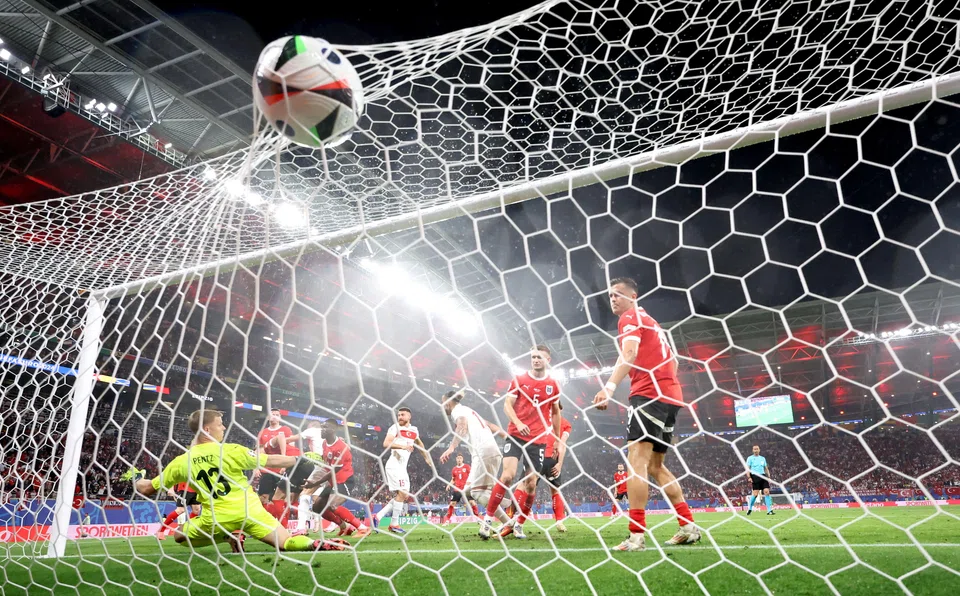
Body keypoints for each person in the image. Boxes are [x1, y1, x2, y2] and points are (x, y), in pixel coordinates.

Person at [129, 409, 346, 552]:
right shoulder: (231, 450)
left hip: (216, 519)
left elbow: (147, 488)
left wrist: (136, 479)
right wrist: (299, 459)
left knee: (178, 535)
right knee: (287, 542)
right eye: (220, 424)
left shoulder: (181, 462)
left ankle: (227, 537)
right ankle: (315, 544)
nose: (224, 427)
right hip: (251, 513)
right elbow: (270, 460)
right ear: (207, 429)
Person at [593, 277, 700, 551]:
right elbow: (674, 361)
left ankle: (636, 536)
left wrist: (609, 387)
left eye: (618, 294)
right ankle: (688, 527)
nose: (613, 299)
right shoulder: (651, 322)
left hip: (649, 396)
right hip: (671, 397)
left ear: (633, 296)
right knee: (655, 466)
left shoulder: (629, 317)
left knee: (636, 463)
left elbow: (629, 353)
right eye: (610, 295)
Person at [480, 345, 562, 540]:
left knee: (531, 484)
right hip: (516, 435)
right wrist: (517, 422)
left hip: (538, 439)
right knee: (507, 476)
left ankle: (519, 524)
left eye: (540, 357)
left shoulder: (553, 385)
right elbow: (507, 404)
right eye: (533, 357)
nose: (536, 360)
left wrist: (557, 439)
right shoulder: (519, 380)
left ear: (548, 360)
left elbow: (556, 413)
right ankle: (487, 520)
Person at [439, 390, 511, 530]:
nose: (443, 406)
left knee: (477, 493)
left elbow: (461, 425)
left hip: (483, 452)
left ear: (449, 402)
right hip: (489, 452)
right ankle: (505, 503)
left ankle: (508, 522)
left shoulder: (457, 411)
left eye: (443, 403)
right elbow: (490, 425)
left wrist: (451, 447)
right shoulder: (469, 410)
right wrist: (509, 439)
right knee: (466, 491)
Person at [303, 420, 370, 537]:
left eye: (325, 427)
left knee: (333, 505)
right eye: (322, 427)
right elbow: (327, 464)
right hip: (332, 482)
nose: (322, 430)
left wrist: (315, 483)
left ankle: (362, 528)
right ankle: (344, 526)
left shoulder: (340, 447)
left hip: (344, 481)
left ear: (333, 430)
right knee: (317, 508)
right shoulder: (325, 443)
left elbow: (334, 470)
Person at [374, 407, 434, 535]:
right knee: (402, 493)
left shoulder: (414, 430)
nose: (400, 417)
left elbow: (419, 444)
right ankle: (394, 524)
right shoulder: (394, 428)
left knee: (404, 495)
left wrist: (426, 458)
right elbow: (386, 443)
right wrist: (403, 446)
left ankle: (378, 516)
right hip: (394, 465)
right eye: (399, 415)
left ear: (409, 416)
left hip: (402, 467)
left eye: (402, 415)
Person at [255, 409, 293, 522]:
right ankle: (267, 522)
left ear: (280, 417)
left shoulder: (285, 430)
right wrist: (256, 467)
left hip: (281, 468)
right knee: (263, 497)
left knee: (282, 498)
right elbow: (258, 450)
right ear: (268, 417)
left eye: (277, 415)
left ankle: (283, 523)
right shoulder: (262, 432)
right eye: (272, 414)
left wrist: (285, 464)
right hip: (267, 469)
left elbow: (291, 447)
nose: (275, 416)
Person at [540, 402, 572, 532]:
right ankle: (559, 521)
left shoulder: (540, 418)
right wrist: (559, 464)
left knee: (526, 488)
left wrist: (559, 464)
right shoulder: (565, 424)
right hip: (551, 460)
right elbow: (562, 445)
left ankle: (513, 521)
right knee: (555, 490)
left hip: (537, 457)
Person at [442, 454, 481, 525]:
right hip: (457, 489)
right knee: (452, 503)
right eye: (458, 458)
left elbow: (472, 475)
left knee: (472, 502)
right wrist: (449, 485)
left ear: (462, 459)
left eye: (460, 458)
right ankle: (447, 520)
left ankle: (478, 519)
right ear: (456, 459)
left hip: (466, 488)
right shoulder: (454, 469)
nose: (459, 459)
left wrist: (470, 482)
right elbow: (453, 479)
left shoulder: (467, 467)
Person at [745, 445, 774, 515]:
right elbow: (748, 469)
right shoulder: (750, 458)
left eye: (757, 449)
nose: (756, 450)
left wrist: (769, 477)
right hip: (755, 476)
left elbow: (766, 468)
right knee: (755, 494)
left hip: (763, 476)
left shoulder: (762, 458)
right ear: (753, 450)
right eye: (754, 449)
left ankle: (769, 510)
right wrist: (749, 477)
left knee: (767, 492)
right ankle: (750, 508)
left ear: (759, 450)